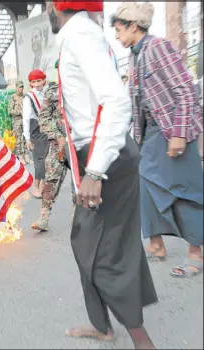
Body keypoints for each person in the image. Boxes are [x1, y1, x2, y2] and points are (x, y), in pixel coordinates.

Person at [46, 1, 158, 349]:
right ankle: (103, 325)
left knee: (102, 252)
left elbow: (116, 101)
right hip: (98, 154)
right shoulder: (78, 34)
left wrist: (94, 170)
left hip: (104, 158)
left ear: (58, 5)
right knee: (99, 246)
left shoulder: (81, 35)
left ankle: (143, 342)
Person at [111, 2, 204, 277]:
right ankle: (156, 245)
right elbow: (136, 104)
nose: (116, 36)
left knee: (184, 190)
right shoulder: (134, 56)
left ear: (133, 25)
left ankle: (196, 253)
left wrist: (178, 134)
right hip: (150, 133)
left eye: (118, 29)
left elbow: (187, 92)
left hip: (173, 130)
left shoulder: (159, 47)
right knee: (145, 186)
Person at [31, 81, 68, 232]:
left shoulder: (86, 84)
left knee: (83, 181)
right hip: (58, 142)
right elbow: (43, 118)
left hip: (81, 140)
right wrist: (57, 136)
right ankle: (44, 218)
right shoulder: (53, 91)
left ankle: (80, 218)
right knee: (51, 178)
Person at [23, 69, 47, 198]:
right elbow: (26, 119)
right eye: (34, 82)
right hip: (35, 128)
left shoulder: (47, 92)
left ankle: (43, 185)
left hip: (47, 127)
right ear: (31, 83)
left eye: (39, 81)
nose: (37, 84)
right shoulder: (29, 97)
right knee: (39, 159)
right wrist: (27, 138)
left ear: (44, 80)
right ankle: (36, 186)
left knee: (48, 157)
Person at [8, 80, 29, 164]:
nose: (21, 88)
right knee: (18, 139)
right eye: (20, 87)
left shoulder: (25, 97)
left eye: (22, 87)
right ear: (16, 87)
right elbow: (9, 111)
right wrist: (19, 112)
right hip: (17, 121)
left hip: (25, 120)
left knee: (26, 138)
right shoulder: (13, 97)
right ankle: (20, 156)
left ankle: (26, 155)